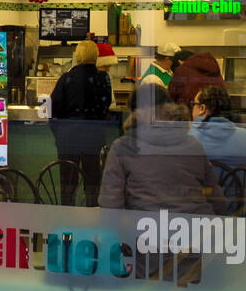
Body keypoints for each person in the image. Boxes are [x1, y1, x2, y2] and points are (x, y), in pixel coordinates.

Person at [98, 100, 220, 215]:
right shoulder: (194, 144)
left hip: (145, 229)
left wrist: (123, 230)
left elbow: (110, 203)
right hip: (195, 229)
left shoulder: (124, 146)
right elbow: (215, 193)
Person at [47, 39, 112, 206]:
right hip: (94, 138)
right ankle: (92, 219)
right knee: (92, 183)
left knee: (68, 185)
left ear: (78, 55)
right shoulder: (104, 78)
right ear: (96, 56)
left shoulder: (67, 78)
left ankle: (68, 220)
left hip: (69, 139)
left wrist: (59, 134)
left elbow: (51, 109)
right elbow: (105, 107)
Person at [189, 85, 246, 209]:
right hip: (242, 218)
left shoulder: (187, 140)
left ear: (202, 108)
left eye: (193, 104)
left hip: (200, 218)